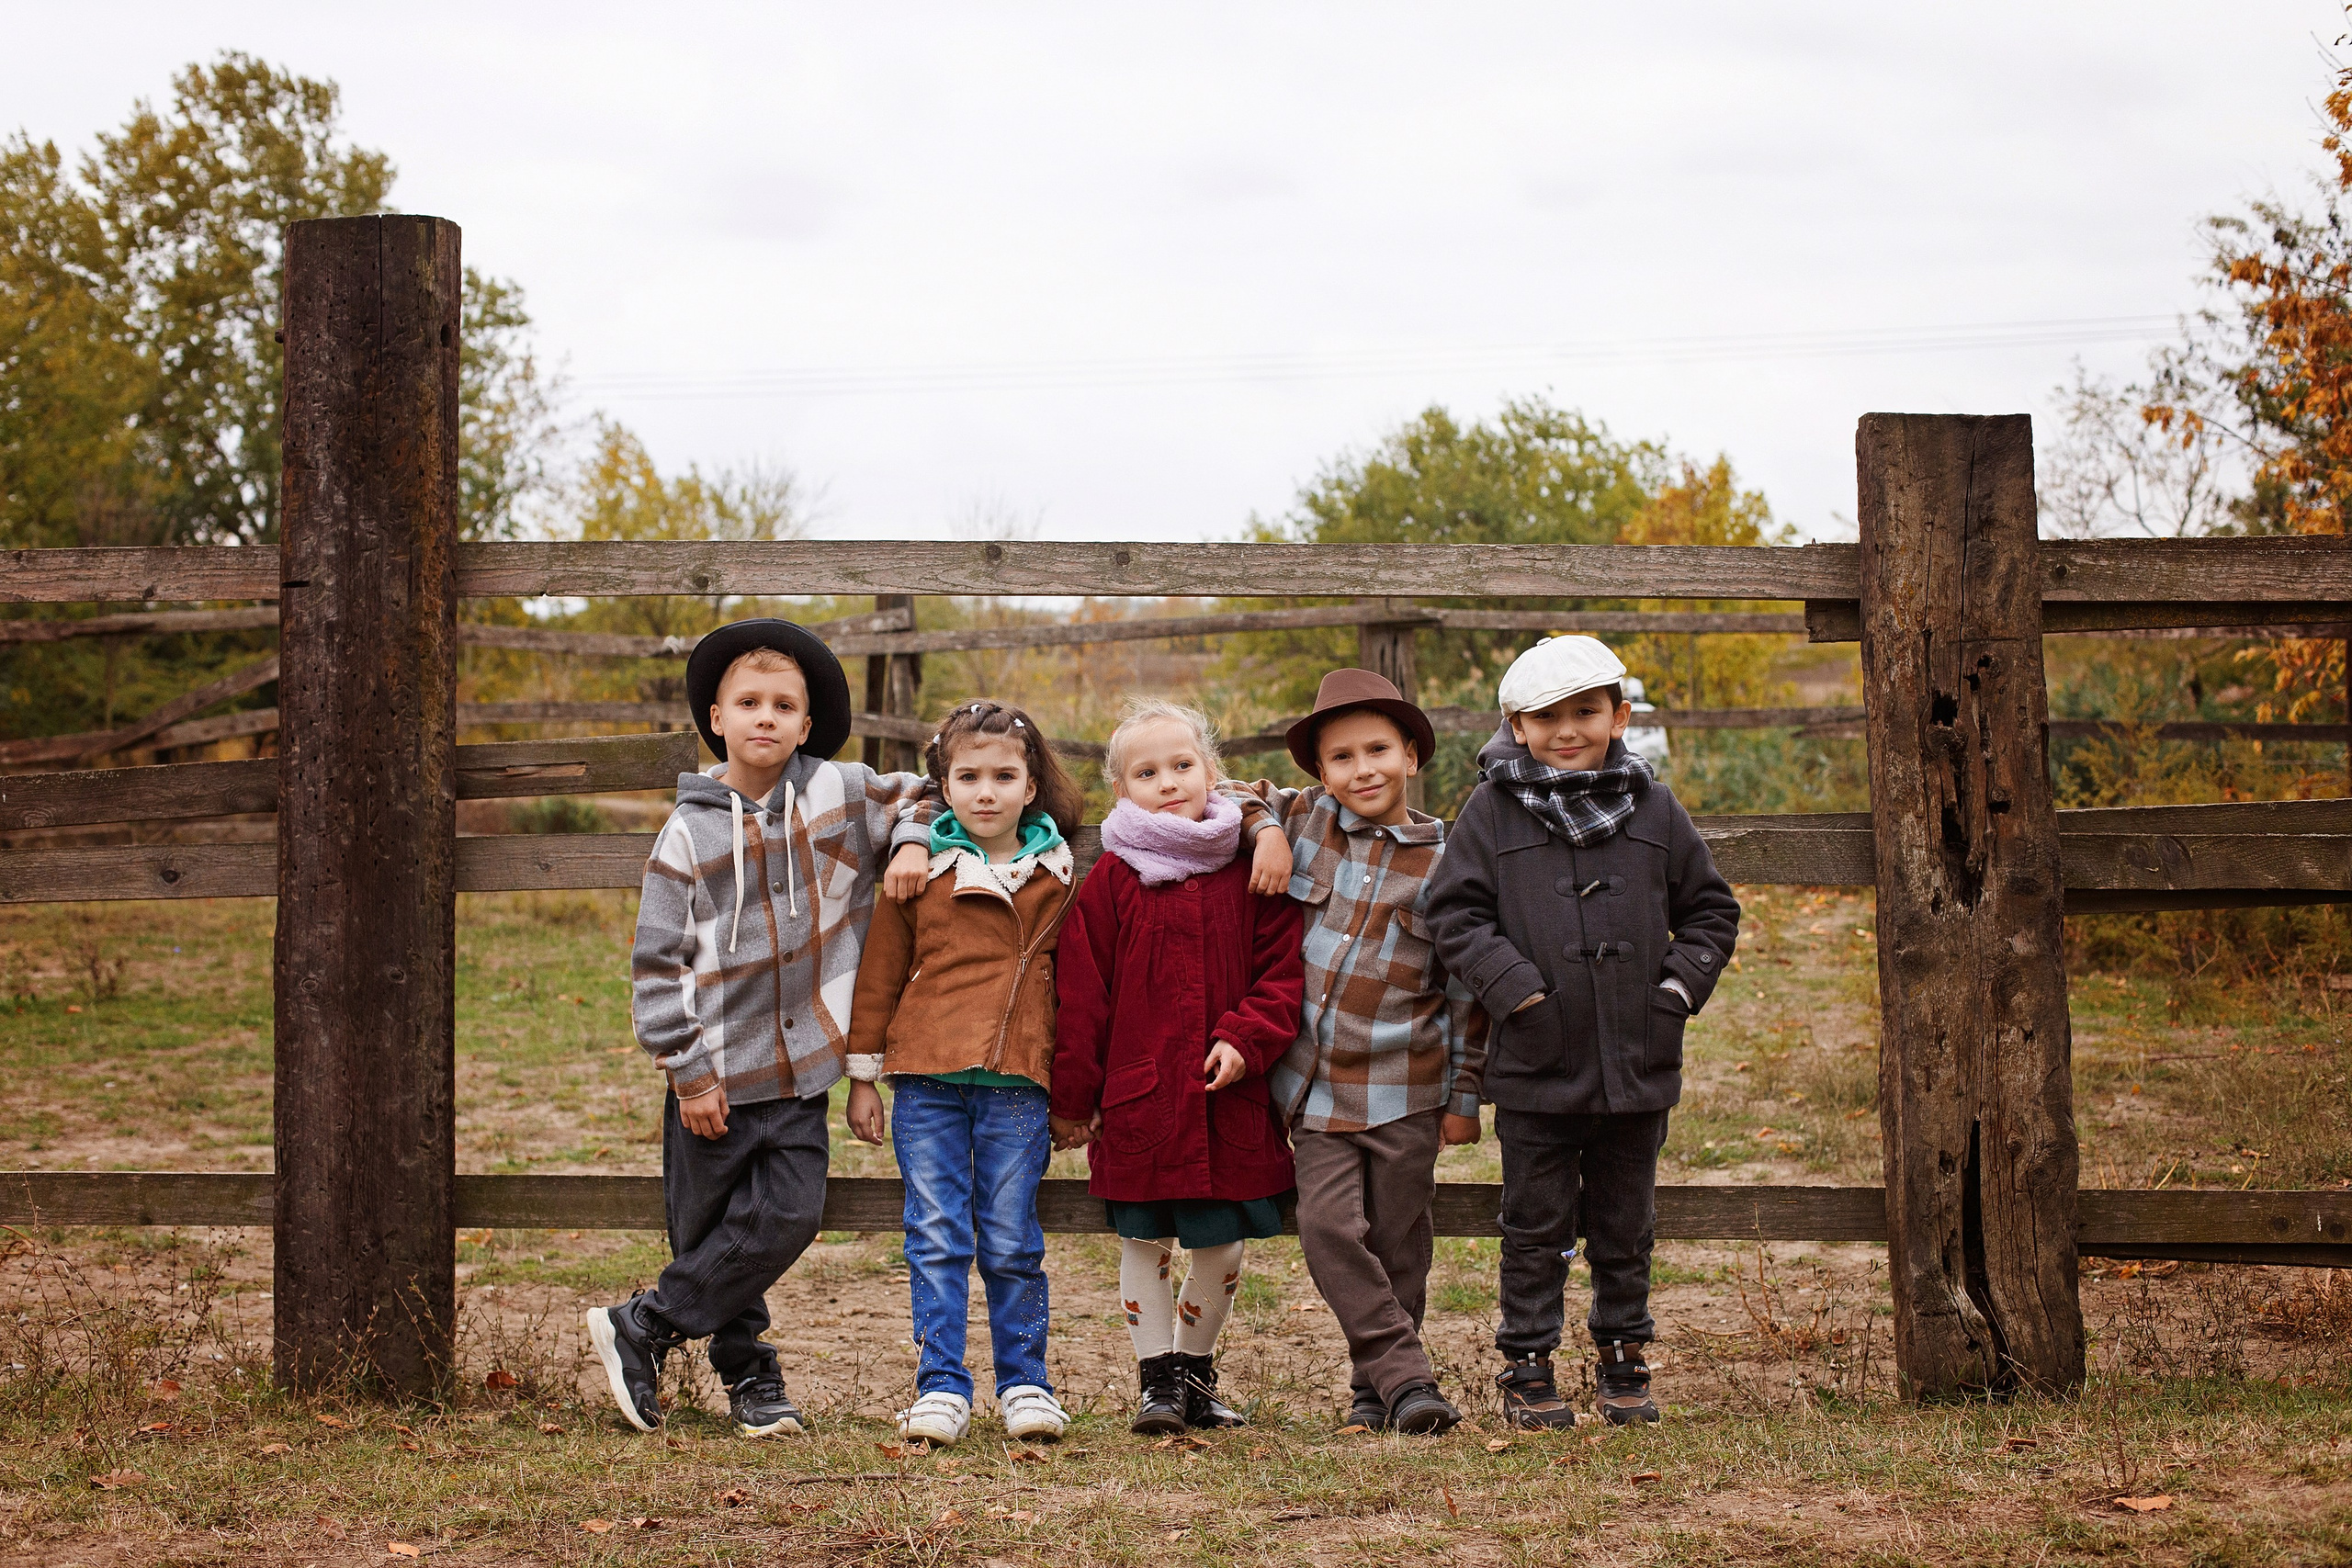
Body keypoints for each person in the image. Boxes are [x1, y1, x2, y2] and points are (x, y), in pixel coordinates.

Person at [587, 619, 934, 1438]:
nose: (766, 717)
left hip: (804, 1069)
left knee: (787, 1214)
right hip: (713, 1076)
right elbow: (656, 961)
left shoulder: (839, 792)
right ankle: (752, 1380)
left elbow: (922, 791)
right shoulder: (688, 832)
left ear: (807, 725)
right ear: (717, 717)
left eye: (785, 705)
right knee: (709, 1230)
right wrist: (689, 1072)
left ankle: (644, 1323)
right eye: (749, 702)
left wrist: (913, 841)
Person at [1424, 636, 1740, 1428]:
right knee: (1534, 1220)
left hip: (1638, 1056)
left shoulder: (1656, 808)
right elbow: (1451, 912)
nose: (1568, 729)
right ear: (1517, 726)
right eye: (1548, 716)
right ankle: (1527, 1363)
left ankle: (1624, 1356)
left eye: (1586, 711)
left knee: (1625, 1221)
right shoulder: (1491, 812)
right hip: (1537, 1060)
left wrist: (1672, 991)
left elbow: (1711, 910)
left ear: (1619, 715)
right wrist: (1518, 991)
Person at [1215, 669, 1487, 1436]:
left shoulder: (1450, 859)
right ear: (1320, 770)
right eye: (1341, 757)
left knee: (1400, 1244)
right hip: (1314, 1089)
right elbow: (1229, 789)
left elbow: (1466, 992)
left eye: (1377, 750)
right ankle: (1410, 1378)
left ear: (1410, 755)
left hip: (1408, 1085)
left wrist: (1464, 1097)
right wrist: (1263, 829)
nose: (1361, 769)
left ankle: (1379, 1393)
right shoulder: (1302, 820)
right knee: (1330, 1227)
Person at [1050, 699, 1305, 1434]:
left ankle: (1195, 1369)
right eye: (1147, 771)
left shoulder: (1250, 867)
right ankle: (1155, 1380)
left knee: (1221, 1244)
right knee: (1144, 1240)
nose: (1168, 781)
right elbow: (1083, 994)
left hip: (1229, 1101)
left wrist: (1244, 1037)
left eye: (1182, 765)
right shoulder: (1113, 881)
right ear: (1121, 790)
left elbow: (1282, 974)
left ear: (1211, 772)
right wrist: (1074, 1096)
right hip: (1142, 1098)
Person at [842, 700, 1084, 1448]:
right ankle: (941, 1384)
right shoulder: (918, 870)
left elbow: (1080, 990)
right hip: (927, 1078)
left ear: (1032, 785)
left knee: (1012, 1238)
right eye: (968, 776)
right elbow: (880, 973)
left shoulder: (1063, 874)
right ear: (942, 788)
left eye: (1004, 775)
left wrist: (1075, 1091)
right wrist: (862, 1073)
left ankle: (1025, 1382)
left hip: (1018, 1084)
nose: (986, 792)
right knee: (937, 1232)